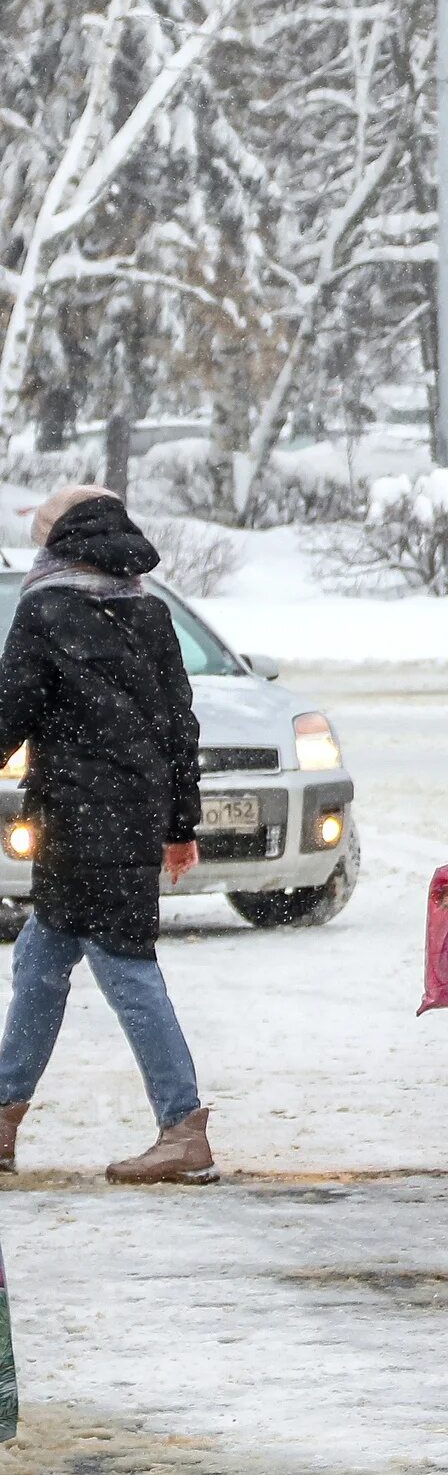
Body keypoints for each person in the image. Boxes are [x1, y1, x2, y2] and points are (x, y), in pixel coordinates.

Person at [0, 488, 210, 1184]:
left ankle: (184, 1127)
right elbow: (181, 726)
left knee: (125, 966)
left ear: (58, 541)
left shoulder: (44, 608)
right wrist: (179, 825)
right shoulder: (150, 610)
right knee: (41, 958)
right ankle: (3, 1112)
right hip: (125, 816)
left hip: (76, 817)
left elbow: (10, 714)